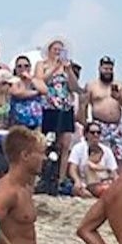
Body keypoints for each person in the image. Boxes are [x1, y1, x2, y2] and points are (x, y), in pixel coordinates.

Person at [36, 39, 79, 168]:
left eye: (60, 50)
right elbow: (40, 81)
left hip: (65, 107)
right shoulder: (41, 64)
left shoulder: (66, 67)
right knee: (44, 142)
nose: (57, 52)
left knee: (65, 144)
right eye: (55, 49)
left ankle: (60, 178)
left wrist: (69, 70)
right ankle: (42, 171)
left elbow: (74, 86)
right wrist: (54, 67)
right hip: (48, 105)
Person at [85, 56, 122, 161]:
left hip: (117, 126)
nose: (108, 72)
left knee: (121, 156)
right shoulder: (91, 85)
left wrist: (118, 97)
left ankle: (119, 177)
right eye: (106, 69)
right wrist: (85, 124)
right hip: (99, 126)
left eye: (110, 69)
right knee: (99, 156)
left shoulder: (120, 85)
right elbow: (84, 106)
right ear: (100, 68)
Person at [65, 120, 120, 198]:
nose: (96, 135)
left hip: (104, 182)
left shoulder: (107, 151)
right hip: (85, 183)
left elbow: (114, 172)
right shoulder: (78, 148)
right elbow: (72, 169)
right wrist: (77, 181)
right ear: (86, 134)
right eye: (92, 132)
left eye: (98, 132)